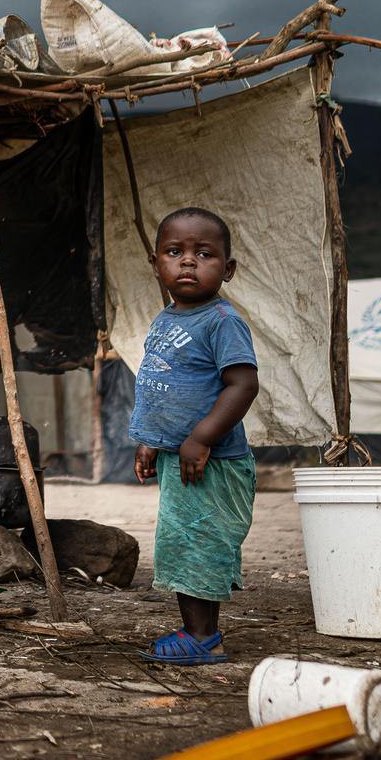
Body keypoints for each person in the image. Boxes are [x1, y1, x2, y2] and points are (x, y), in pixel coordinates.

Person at [130, 206, 261, 665]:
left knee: (200, 544)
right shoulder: (166, 319)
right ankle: (196, 630)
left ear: (227, 270)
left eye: (203, 254)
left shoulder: (221, 321)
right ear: (156, 263)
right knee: (181, 543)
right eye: (175, 252)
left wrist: (201, 437)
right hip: (181, 456)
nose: (188, 261)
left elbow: (243, 385)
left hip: (213, 462)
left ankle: (204, 637)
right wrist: (151, 440)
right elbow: (163, 384)